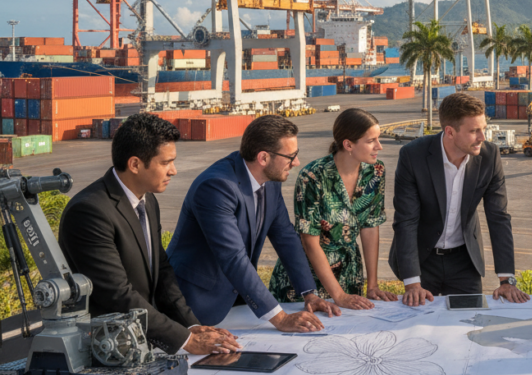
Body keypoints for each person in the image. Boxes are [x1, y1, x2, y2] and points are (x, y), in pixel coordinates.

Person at [59, 113, 240, 355]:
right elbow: (117, 295)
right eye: (165, 163)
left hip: (137, 341)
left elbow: (162, 271)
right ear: (135, 164)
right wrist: (186, 341)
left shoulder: (148, 200)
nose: (173, 171)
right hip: (102, 350)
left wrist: (192, 326)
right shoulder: (89, 211)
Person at [168, 115, 342, 331]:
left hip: (237, 300)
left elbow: (285, 237)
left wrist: (309, 293)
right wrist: (280, 319)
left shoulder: (270, 180)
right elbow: (233, 257)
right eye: (291, 156)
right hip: (196, 303)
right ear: (263, 158)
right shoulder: (216, 187)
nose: (296, 162)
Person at [389, 92, 528, 306]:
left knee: (468, 325)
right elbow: (406, 220)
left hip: (465, 260)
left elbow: (498, 217)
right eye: (474, 131)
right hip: (422, 259)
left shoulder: (490, 156)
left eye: (484, 128)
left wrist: (506, 279)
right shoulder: (413, 155)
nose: (482, 137)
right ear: (450, 132)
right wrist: (412, 283)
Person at [269, 108, 397, 308]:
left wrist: (372, 285)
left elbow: (370, 227)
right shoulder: (312, 176)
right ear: (348, 144)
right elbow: (309, 241)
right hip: (306, 281)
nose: (379, 146)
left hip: (348, 274)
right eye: (371, 140)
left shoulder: (375, 171)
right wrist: (338, 295)